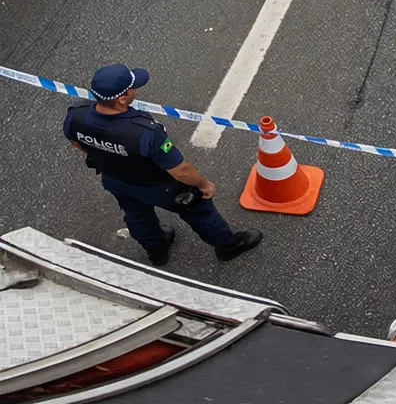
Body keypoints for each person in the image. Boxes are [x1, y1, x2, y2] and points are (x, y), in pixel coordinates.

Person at [64, 65, 261, 267]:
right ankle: (227, 246)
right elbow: (180, 170)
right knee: (199, 210)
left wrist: (106, 155)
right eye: (132, 87)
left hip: (115, 179)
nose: (135, 90)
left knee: (136, 215)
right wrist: (204, 185)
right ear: (122, 99)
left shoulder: (76, 115)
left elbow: (77, 143)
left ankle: (156, 250)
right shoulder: (145, 132)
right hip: (160, 186)